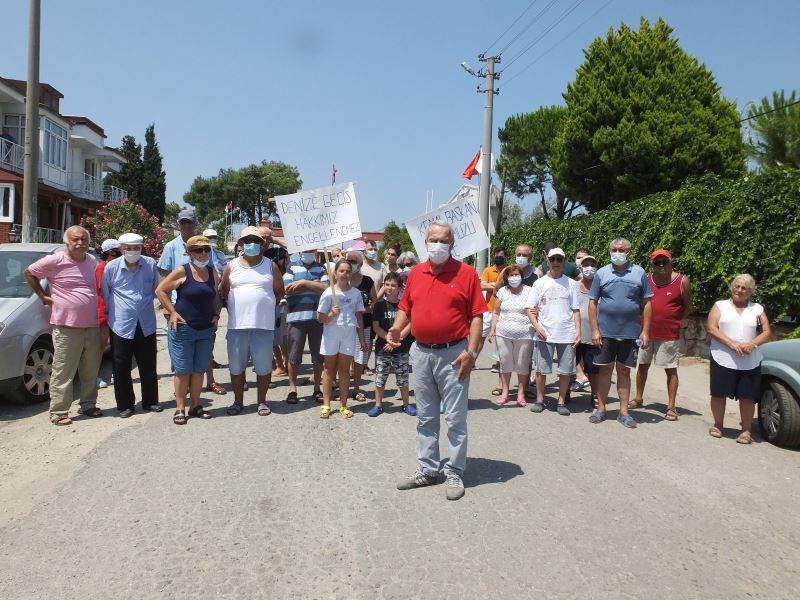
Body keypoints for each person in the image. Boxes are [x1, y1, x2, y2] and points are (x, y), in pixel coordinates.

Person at [391, 221, 486, 501]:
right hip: (421, 353)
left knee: (455, 418)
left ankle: (454, 470)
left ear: (452, 244)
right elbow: (405, 307)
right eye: (433, 240)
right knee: (426, 417)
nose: (438, 245)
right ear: (425, 242)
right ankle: (429, 469)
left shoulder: (467, 274)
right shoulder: (416, 273)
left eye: (443, 240)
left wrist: (472, 352)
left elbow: (477, 315)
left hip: (454, 354)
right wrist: (398, 327)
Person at [24, 226, 102, 425]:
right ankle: (59, 412)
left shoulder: (91, 260)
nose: (80, 243)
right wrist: (43, 296)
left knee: (90, 369)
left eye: (84, 239)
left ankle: (88, 404)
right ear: (67, 241)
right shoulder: (55, 260)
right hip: (66, 326)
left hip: (91, 325)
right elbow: (29, 273)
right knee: (63, 370)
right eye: (76, 239)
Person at [158, 209, 225, 396]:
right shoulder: (171, 247)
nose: (186, 226)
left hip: (204, 305)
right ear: (179, 224)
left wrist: (216, 311)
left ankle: (209, 381)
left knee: (205, 349)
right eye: (183, 223)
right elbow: (164, 280)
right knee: (180, 353)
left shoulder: (203, 245)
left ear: (196, 224)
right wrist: (168, 308)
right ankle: (183, 388)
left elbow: (213, 276)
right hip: (178, 309)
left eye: (190, 222)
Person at [156, 235, 222, 425]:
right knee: (183, 371)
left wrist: (216, 314)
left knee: (199, 370)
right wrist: (172, 312)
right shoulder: (181, 271)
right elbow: (161, 291)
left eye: (206, 249)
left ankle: (195, 406)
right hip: (184, 328)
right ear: (189, 253)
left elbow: (215, 296)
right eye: (197, 250)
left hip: (206, 329)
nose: (203, 253)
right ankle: (180, 408)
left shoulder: (212, 272)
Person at [219, 227, 284, 416]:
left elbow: (280, 290)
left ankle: (262, 402)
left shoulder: (270, 265)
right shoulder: (231, 266)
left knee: (263, 367)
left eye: (255, 240)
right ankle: (238, 401)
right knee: (237, 366)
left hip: (263, 325)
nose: (251, 243)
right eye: (247, 240)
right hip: (237, 326)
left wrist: (271, 307)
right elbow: (223, 290)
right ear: (240, 244)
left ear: (262, 244)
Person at [588, 238, 653, 428]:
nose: (617, 252)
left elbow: (647, 303)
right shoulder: (601, 273)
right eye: (614, 249)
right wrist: (594, 330)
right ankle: (601, 409)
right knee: (605, 370)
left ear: (628, 252)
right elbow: (592, 302)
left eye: (621, 249)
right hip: (605, 332)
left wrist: (646, 331)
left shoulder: (639, 273)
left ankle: (624, 412)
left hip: (630, 334)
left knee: (624, 371)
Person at [706, 274, 772, 444]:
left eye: (744, 288)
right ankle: (718, 425)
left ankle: (746, 431)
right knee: (719, 393)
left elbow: (766, 332)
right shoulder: (720, 306)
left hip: (750, 360)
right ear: (732, 287)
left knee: (747, 396)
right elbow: (711, 328)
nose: (739, 290)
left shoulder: (757, 309)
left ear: (750, 292)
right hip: (723, 356)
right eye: (737, 286)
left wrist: (753, 344)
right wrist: (731, 344)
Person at [101, 233, 161, 417]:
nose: (133, 251)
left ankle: (150, 401)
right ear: (121, 249)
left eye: (137, 247)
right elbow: (106, 292)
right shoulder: (111, 267)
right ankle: (125, 405)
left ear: (142, 248)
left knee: (148, 364)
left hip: (146, 322)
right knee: (121, 366)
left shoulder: (150, 264)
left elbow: (156, 289)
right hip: (121, 323)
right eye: (128, 247)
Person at [631, 249, 693, 420]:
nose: (661, 265)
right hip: (646, 332)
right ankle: (638, 397)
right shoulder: (646, 281)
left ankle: (671, 406)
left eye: (664, 262)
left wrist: (675, 321)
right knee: (642, 366)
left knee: (670, 370)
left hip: (668, 333)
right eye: (657, 263)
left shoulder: (682, 281)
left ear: (670, 261)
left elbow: (688, 306)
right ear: (652, 264)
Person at [529, 248, 581, 415]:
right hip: (544, 333)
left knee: (565, 371)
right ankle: (539, 399)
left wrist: (578, 331)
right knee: (541, 370)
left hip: (567, 333)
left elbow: (576, 310)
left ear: (564, 261)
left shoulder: (572, 284)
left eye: (559, 259)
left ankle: (560, 401)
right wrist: (537, 328)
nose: (556, 262)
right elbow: (530, 310)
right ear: (547, 261)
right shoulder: (539, 283)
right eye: (553, 259)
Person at [316, 259, 367, 419]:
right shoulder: (328, 293)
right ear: (335, 274)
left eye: (347, 271)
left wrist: (362, 340)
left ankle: (343, 405)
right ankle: (326, 404)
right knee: (329, 369)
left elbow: (359, 317)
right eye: (341, 271)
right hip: (331, 334)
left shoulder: (356, 293)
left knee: (344, 371)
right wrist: (331, 314)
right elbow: (320, 318)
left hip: (349, 334)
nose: (345, 274)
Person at [283, 247, 328, 403]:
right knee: (294, 356)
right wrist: (312, 284)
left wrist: (302, 282)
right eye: (306, 249)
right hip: (296, 318)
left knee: (318, 356)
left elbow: (326, 289)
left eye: (312, 249)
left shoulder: (321, 267)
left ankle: (317, 388)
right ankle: (292, 389)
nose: (309, 251)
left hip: (317, 318)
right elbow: (287, 289)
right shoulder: (292, 266)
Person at [486, 264, 535, 407]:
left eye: (517, 275)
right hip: (503, 333)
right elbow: (496, 312)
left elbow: (534, 310)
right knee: (505, 361)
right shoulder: (502, 291)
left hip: (525, 333)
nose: (514, 278)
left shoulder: (529, 291)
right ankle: (505, 393)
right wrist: (492, 329)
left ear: (522, 276)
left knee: (522, 364)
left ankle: (521, 394)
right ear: (506, 278)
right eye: (511, 275)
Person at [369, 272, 415, 417]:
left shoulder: (404, 305)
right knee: (380, 377)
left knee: (403, 378)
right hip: (383, 348)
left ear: (400, 287)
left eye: (393, 285)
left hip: (401, 348)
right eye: (387, 284)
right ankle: (378, 405)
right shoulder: (379, 306)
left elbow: (410, 324)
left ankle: (406, 405)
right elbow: (376, 326)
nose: (389, 288)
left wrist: (397, 339)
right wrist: (388, 339)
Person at [260, 223, 289, 376]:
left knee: (281, 334)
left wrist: (276, 240)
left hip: (277, 298)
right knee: (267, 334)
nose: (265, 241)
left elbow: (292, 249)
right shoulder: (253, 254)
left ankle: (285, 363)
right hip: (262, 299)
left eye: (267, 237)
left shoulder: (277, 253)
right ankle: (275, 364)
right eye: (262, 237)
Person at [347, 250, 377, 402]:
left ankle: (356, 389)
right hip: (344, 325)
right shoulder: (341, 279)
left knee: (359, 359)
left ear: (360, 263)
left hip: (364, 323)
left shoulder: (367, 281)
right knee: (344, 357)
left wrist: (368, 309)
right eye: (349, 260)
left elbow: (375, 300)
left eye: (354, 261)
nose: (351, 264)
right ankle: (342, 387)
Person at [575, 255, 600, 407]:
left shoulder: (601, 287)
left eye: (592, 264)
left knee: (593, 369)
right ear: (580, 268)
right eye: (586, 265)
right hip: (575, 334)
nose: (589, 268)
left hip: (594, 336)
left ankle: (595, 395)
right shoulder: (573, 286)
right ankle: (565, 393)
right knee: (570, 365)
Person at [96, 238, 121, 389]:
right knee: (100, 346)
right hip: (104, 312)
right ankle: (94, 376)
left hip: (113, 311)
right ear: (111, 252)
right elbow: (104, 290)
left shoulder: (113, 266)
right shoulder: (102, 268)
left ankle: (117, 373)